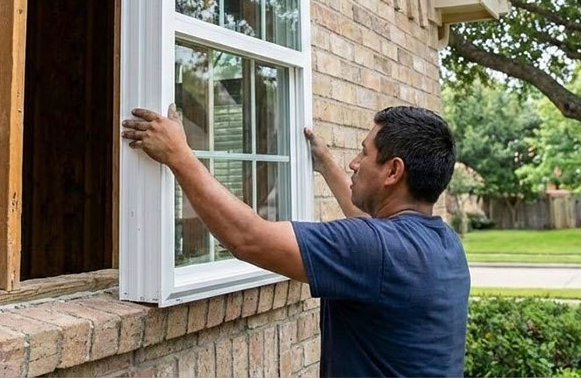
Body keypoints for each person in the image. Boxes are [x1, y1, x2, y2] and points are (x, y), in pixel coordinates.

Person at [121, 104, 469, 378]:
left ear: (393, 171)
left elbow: (248, 238)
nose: (354, 162)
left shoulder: (375, 250)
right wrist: (327, 166)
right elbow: (372, 228)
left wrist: (179, 155)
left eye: (363, 153)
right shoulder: (443, 244)